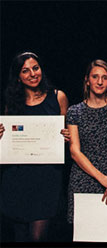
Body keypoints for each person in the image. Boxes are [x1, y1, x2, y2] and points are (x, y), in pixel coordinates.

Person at [0, 52, 70, 242]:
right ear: (18, 77)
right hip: (17, 177)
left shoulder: (58, 97)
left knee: (38, 238)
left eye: (35, 68)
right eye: (25, 71)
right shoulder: (12, 103)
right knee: (20, 236)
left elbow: (68, 135)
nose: (32, 74)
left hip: (46, 178)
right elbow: (8, 142)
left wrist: (68, 136)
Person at [66, 59, 107, 224]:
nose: (100, 81)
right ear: (87, 80)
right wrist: (102, 179)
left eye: (105, 77)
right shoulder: (74, 111)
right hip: (84, 178)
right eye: (95, 77)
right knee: (86, 232)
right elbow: (74, 151)